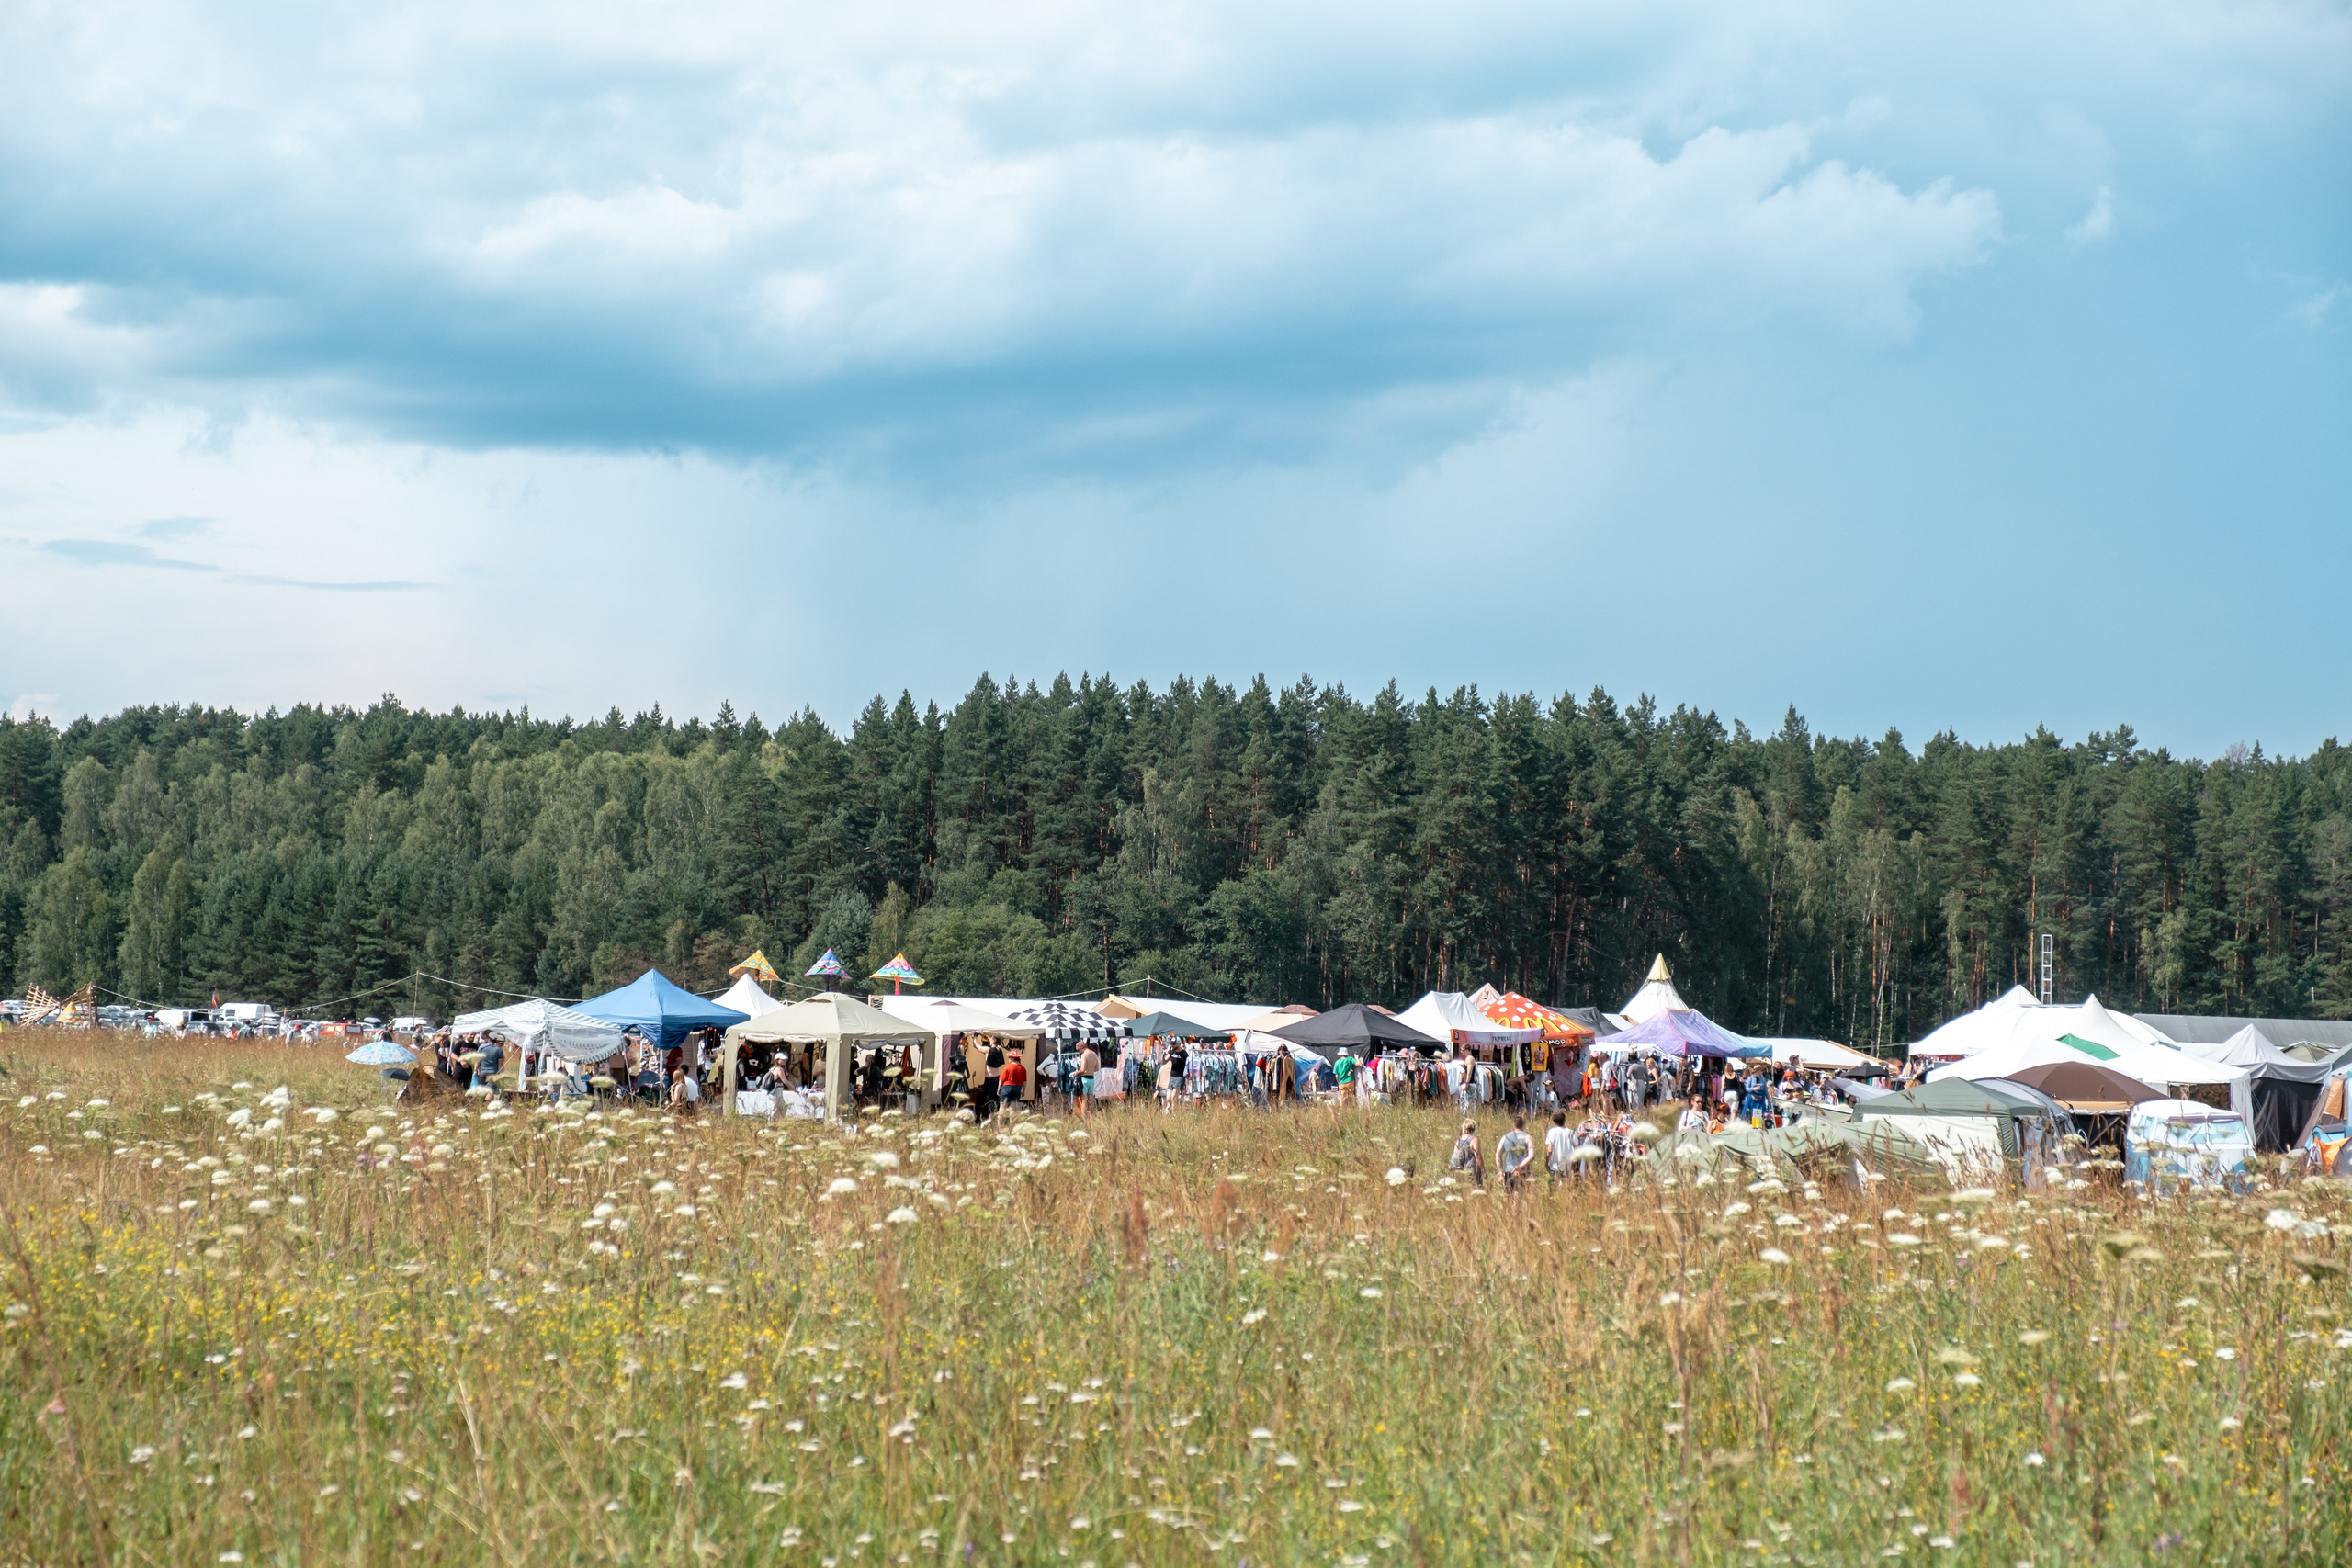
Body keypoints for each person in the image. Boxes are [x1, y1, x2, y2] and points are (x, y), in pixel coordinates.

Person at [1497, 1113, 1534, 1193]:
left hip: (1509, 1171)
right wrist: (1520, 1166)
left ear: (1513, 1125)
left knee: (1508, 1196)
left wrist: (1500, 1171)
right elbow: (1532, 1155)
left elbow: (1498, 1153)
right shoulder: (1528, 1137)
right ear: (1524, 1125)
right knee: (1521, 1196)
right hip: (1523, 1171)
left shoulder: (1505, 1137)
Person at [1448, 1119, 1485, 1187]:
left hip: (1460, 1170)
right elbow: (1478, 1157)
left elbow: (1455, 1156)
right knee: (1476, 1189)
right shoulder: (1474, 1140)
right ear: (1473, 1128)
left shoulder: (1458, 1141)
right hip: (1471, 1170)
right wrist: (1483, 1170)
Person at [1544, 1110, 1574, 1187]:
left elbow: (1550, 1150)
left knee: (1553, 1189)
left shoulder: (1551, 1131)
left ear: (1554, 1121)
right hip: (1568, 1166)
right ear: (1564, 1119)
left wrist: (1547, 1163)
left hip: (1555, 1166)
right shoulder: (1571, 1132)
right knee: (1567, 1188)